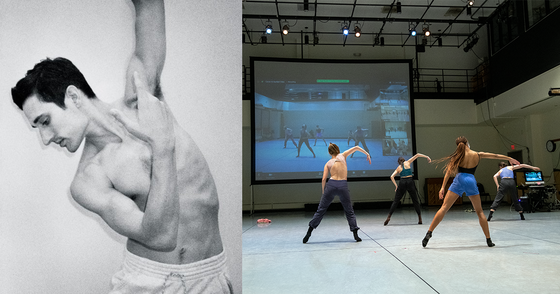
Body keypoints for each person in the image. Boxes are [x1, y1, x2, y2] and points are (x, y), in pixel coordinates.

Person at [11, 1, 232, 293]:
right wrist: (162, 148)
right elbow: (161, 237)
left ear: (74, 97)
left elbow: (150, 7)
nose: (46, 138)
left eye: (45, 121)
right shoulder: (87, 181)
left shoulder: (141, 95)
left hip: (212, 273)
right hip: (152, 283)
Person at [422, 136, 519, 248]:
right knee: (480, 212)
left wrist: (442, 187)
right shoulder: (477, 154)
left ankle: (429, 233)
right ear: (467, 143)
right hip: (471, 181)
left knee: (443, 208)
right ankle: (488, 240)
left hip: (459, 180)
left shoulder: (457, 156)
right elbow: (495, 155)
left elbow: (448, 172)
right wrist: (509, 158)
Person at [303, 143, 371, 243]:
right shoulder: (343, 155)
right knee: (349, 211)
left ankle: (309, 232)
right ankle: (355, 235)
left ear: (329, 152)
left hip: (331, 185)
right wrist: (367, 154)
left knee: (320, 210)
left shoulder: (328, 163)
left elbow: (323, 179)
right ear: (338, 150)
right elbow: (356, 147)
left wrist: (323, 191)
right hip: (343, 185)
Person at [384, 153, 431, 226]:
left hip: (402, 182)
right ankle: (420, 218)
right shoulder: (408, 162)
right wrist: (427, 156)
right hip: (410, 182)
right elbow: (417, 155)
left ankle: (389, 217)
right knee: (415, 200)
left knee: (396, 201)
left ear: (399, 162)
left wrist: (396, 186)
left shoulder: (398, 167)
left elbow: (391, 176)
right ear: (404, 160)